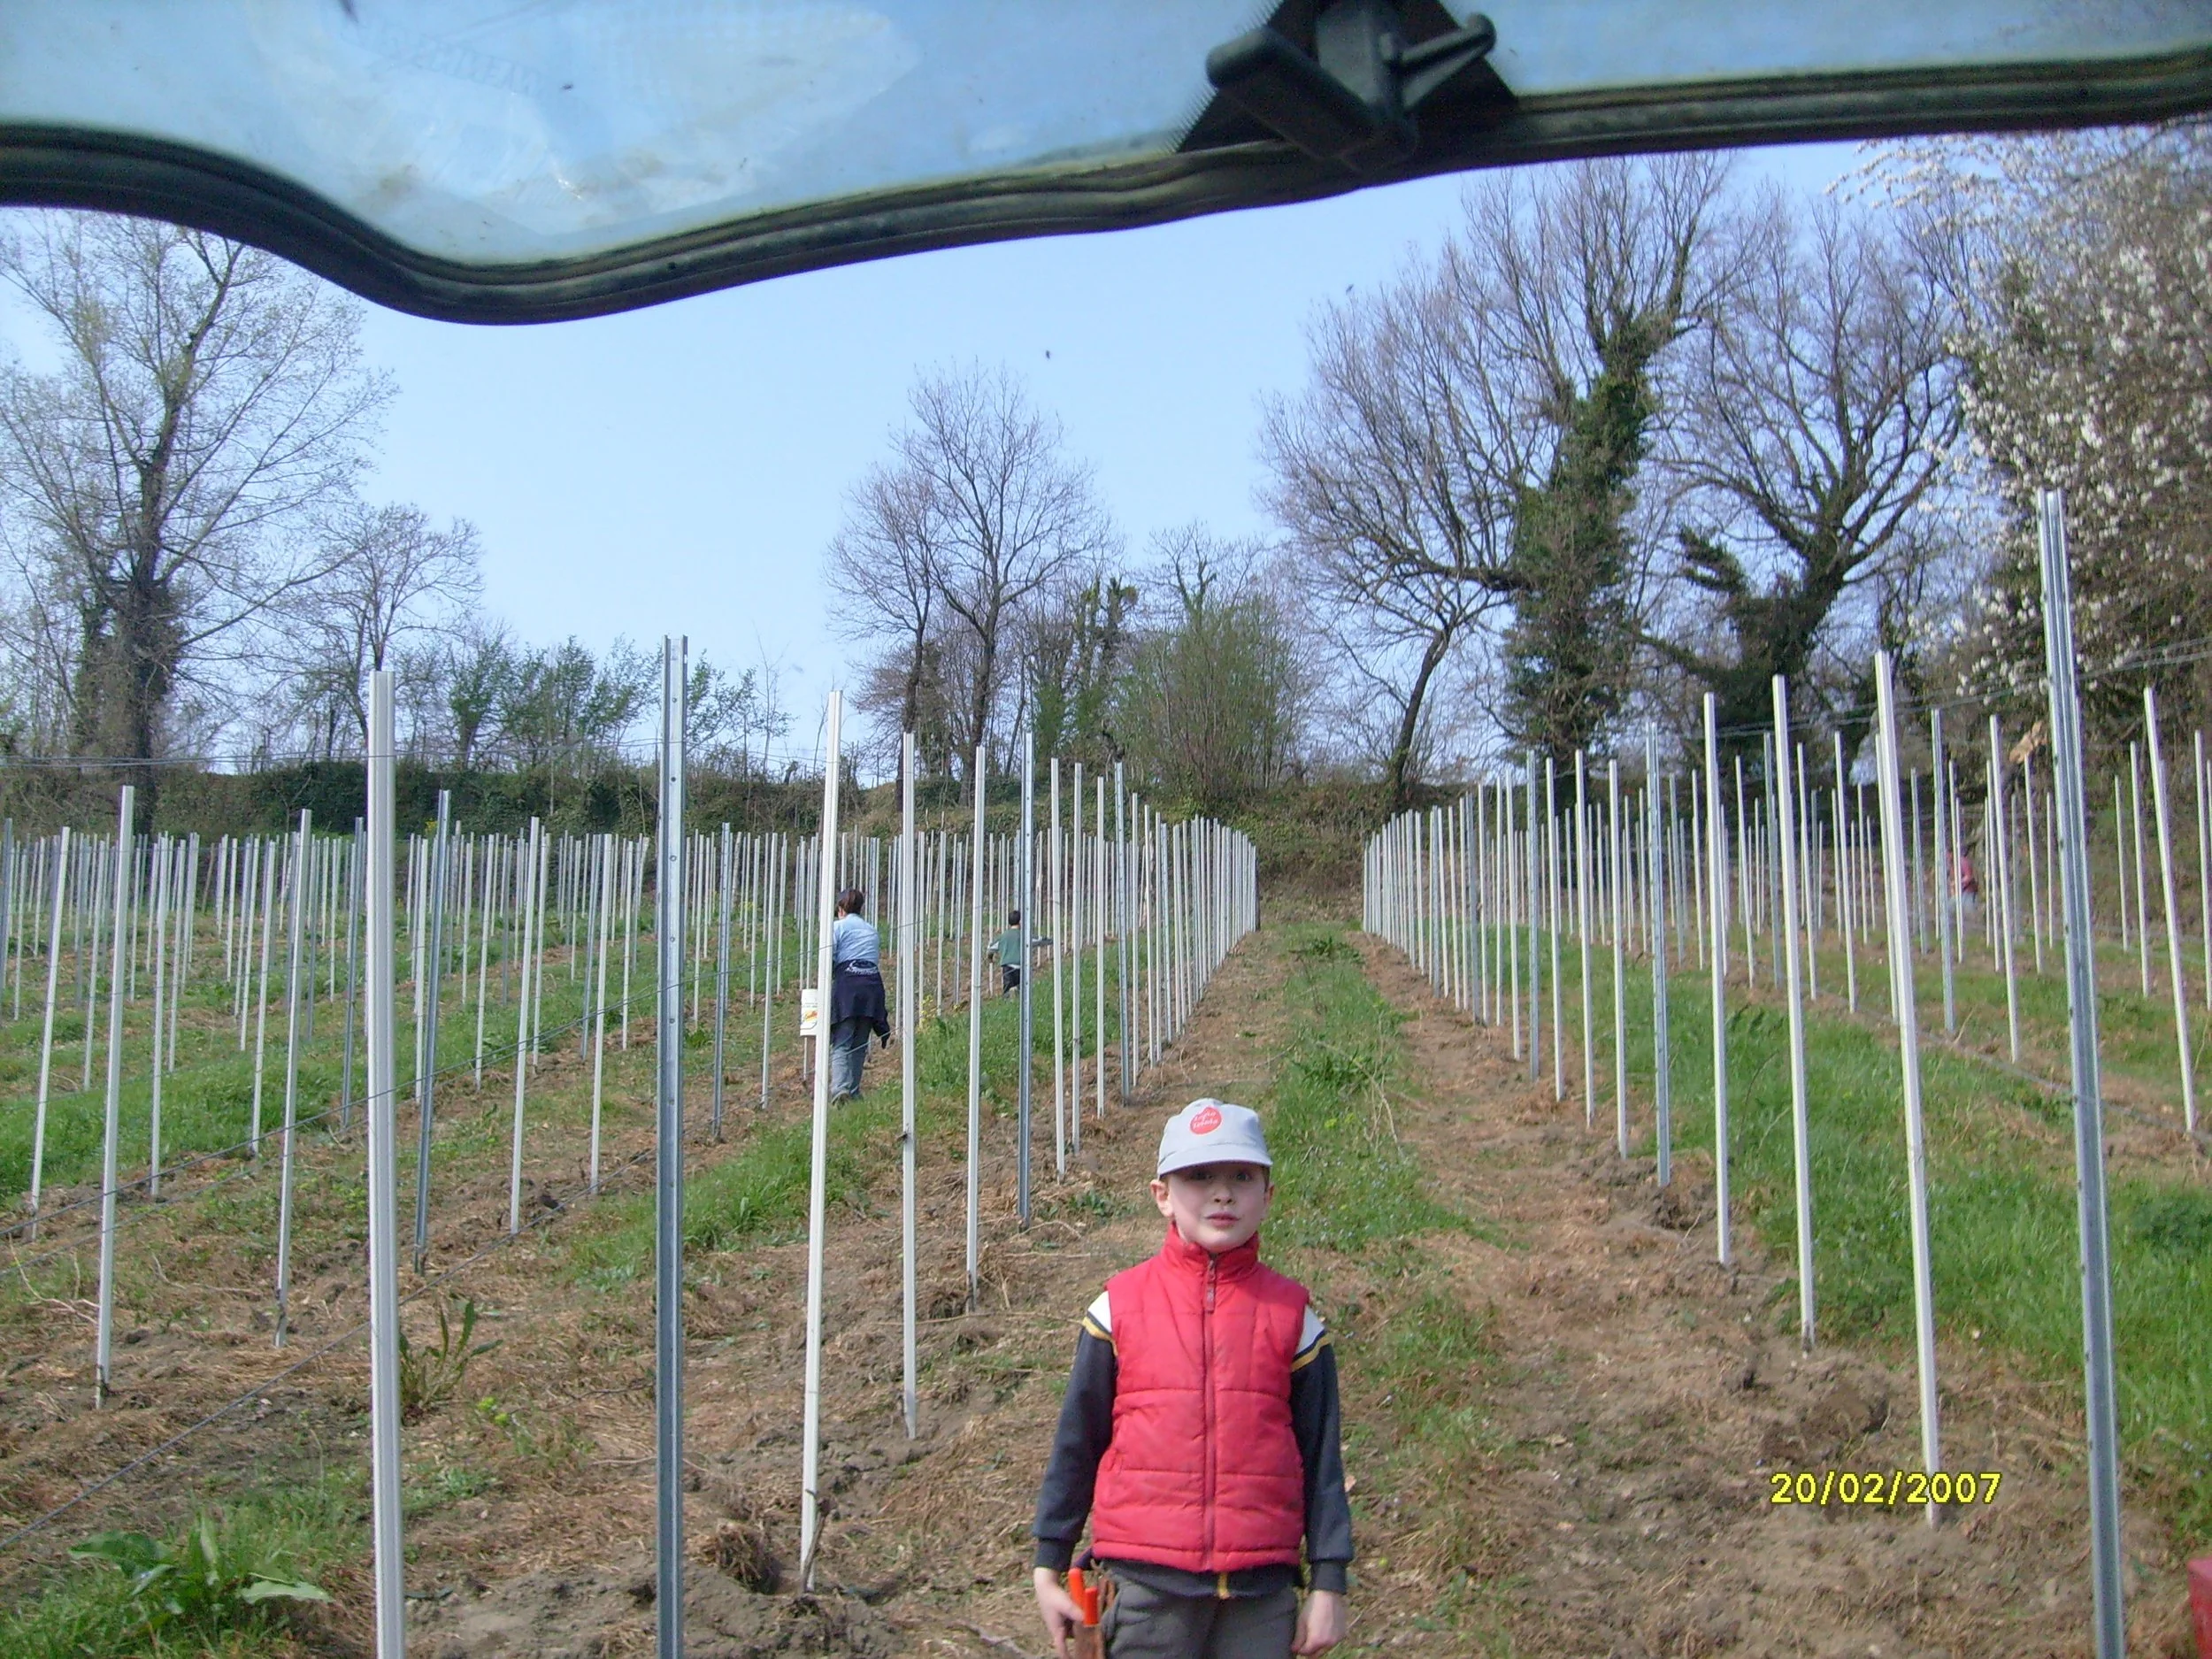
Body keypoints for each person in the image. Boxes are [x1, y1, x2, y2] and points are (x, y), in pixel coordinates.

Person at [1031, 1099, 1351, 1659]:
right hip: (1145, 1590)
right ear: (1162, 1196)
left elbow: (1321, 1459)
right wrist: (1048, 1566)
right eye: (1199, 1176)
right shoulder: (1118, 1309)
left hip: (1261, 1594)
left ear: (1268, 1197)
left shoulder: (1295, 1319)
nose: (1221, 1193)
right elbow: (1076, 1444)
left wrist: (1328, 1582)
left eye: (1241, 1177)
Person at [827, 887, 887, 1102]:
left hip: (849, 988)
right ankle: (853, 1091)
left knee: (842, 1040)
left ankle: (840, 1089)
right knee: (860, 1043)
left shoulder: (837, 927)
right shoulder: (871, 930)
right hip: (872, 988)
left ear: (841, 908)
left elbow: (829, 958)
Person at [995, 909, 1026, 996]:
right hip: (1020, 966)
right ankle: (1016, 992)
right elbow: (1036, 940)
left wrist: (990, 957)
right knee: (1022, 989)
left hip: (1007, 967)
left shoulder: (1003, 936)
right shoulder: (1024, 935)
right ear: (1020, 922)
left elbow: (991, 948)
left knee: (1007, 989)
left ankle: (1008, 998)